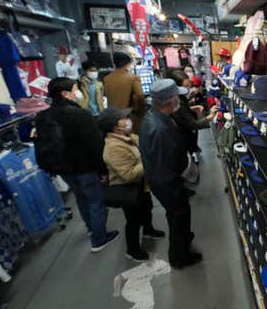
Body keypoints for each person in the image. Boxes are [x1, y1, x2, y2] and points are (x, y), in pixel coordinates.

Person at [42, 77, 118, 252]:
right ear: (65, 93)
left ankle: (92, 229)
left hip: (63, 168)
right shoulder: (80, 115)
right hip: (84, 167)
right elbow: (95, 144)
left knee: (81, 199)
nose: (79, 93)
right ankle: (99, 239)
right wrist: (103, 168)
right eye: (76, 89)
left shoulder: (44, 116)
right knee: (96, 201)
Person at [139, 79, 201, 269]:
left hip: (162, 180)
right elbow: (165, 165)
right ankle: (179, 258)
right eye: (177, 97)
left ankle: (183, 241)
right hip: (168, 184)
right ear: (171, 100)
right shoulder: (161, 129)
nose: (180, 100)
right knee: (179, 216)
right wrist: (179, 187)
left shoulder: (156, 117)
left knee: (177, 215)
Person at [98, 107, 165, 262]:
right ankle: (133, 250)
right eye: (124, 118)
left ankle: (148, 230)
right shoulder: (113, 147)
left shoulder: (128, 136)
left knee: (147, 208)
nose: (128, 119)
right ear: (115, 125)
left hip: (142, 185)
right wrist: (147, 158)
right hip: (129, 189)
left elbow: (143, 143)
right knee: (133, 221)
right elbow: (128, 175)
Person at [167, 70, 218, 162]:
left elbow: (182, 112)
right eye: (185, 86)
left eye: (188, 85)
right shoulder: (178, 103)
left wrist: (191, 108)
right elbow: (193, 125)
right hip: (185, 138)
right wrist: (210, 116)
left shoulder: (178, 97)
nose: (188, 88)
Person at [103, 52, 146, 133]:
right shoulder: (133, 78)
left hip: (112, 119)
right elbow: (140, 96)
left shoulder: (107, 78)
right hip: (128, 117)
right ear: (128, 63)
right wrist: (140, 112)